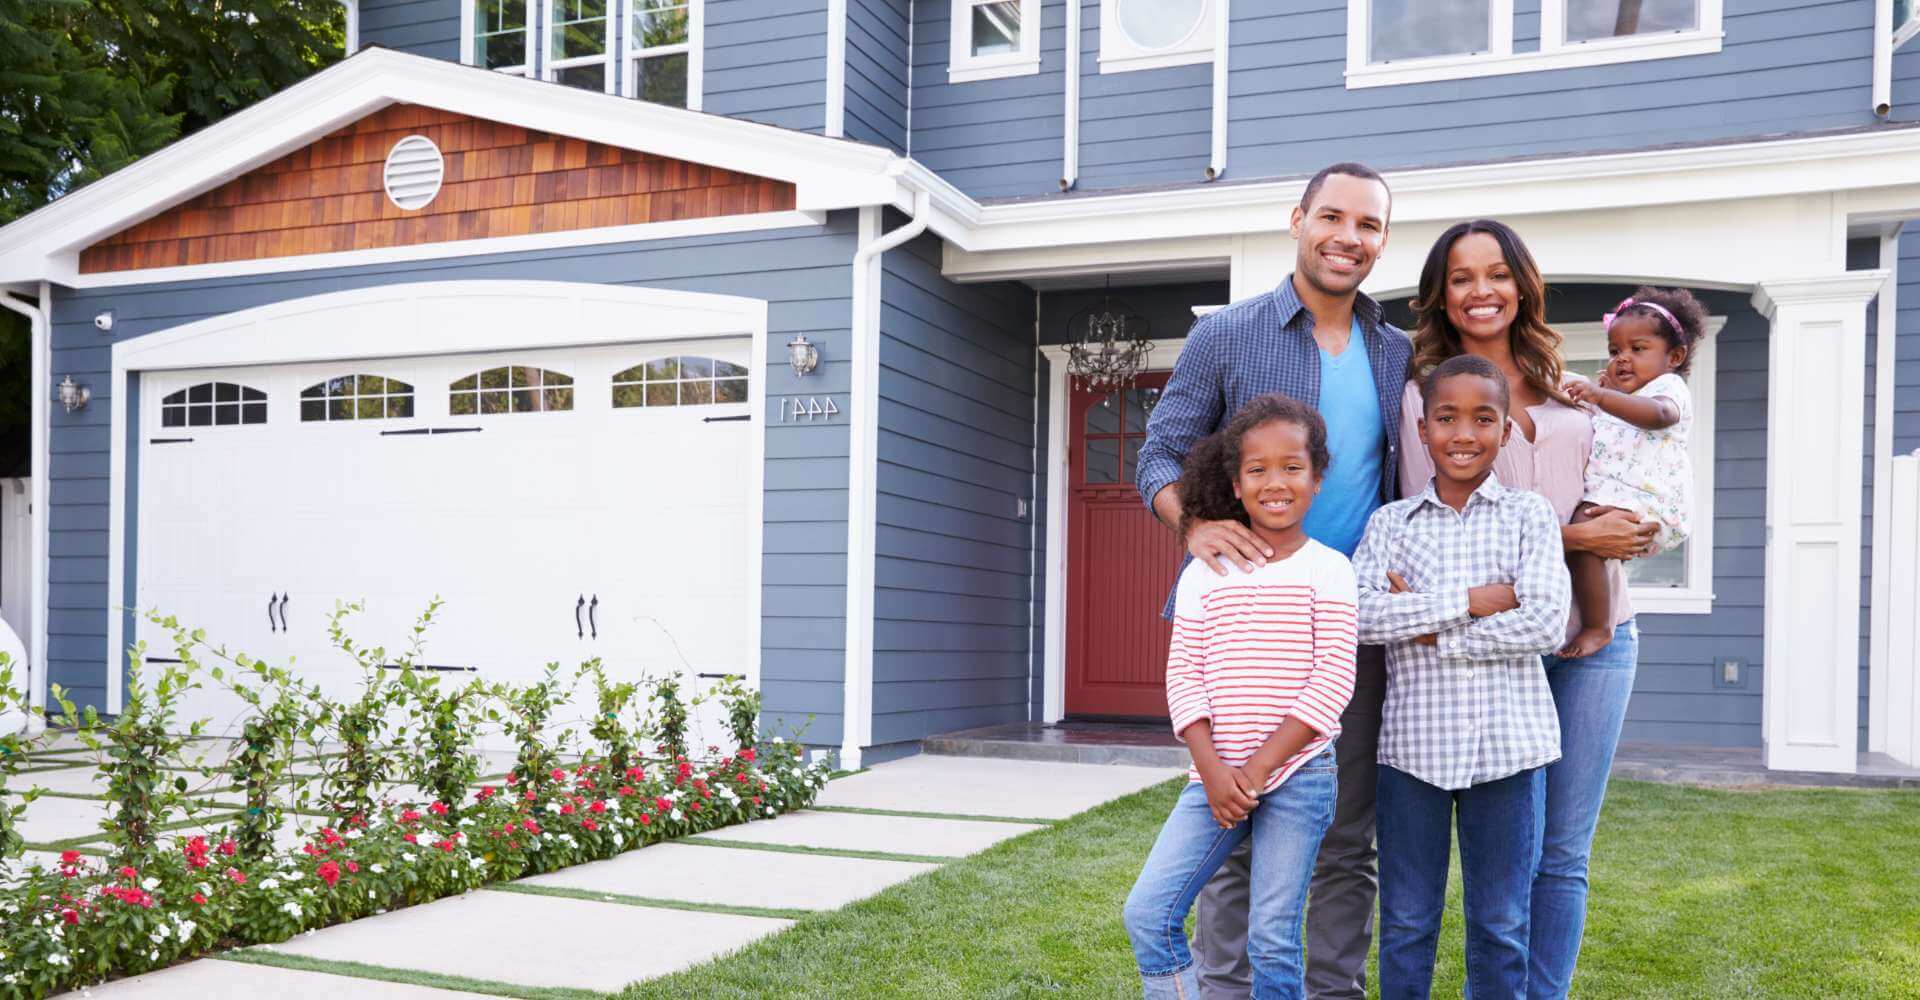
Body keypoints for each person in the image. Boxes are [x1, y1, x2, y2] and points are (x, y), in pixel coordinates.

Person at [1135, 161, 1412, 1000]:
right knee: (1232, 830)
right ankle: (1225, 990)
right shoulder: (1227, 334)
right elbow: (1158, 452)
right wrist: (1193, 521)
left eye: (1367, 225)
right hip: (1241, 621)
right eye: (1332, 217)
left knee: (1341, 835)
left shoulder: (1395, 350)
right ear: (1298, 219)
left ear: (1382, 242)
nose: (1347, 238)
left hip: (1344, 628)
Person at [1395, 219, 1660, 1000]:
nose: (1483, 291)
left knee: (1566, 852)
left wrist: (1635, 522)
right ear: (1441, 296)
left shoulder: (1568, 380)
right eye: (1462, 277)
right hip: (1504, 637)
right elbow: (1439, 530)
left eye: (1497, 273)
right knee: (1511, 853)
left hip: (1605, 630)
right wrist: (1584, 531)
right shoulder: (1431, 396)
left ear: (1522, 283)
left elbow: (1621, 470)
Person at [1122, 394, 1358, 1000]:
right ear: (1234, 482)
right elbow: (1185, 676)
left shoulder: (1329, 570)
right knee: (1149, 912)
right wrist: (1213, 771)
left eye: (1291, 467)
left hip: (1298, 774)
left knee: (1272, 936)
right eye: (1257, 469)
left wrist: (1252, 773)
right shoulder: (1206, 570)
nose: (1274, 482)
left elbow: (1331, 684)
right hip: (1213, 778)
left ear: (1317, 477)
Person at [1355, 354, 1571, 999]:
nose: (1463, 434)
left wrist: (1424, 628)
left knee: (1502, 924)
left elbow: (1545, 625)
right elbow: (1364, 616)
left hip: (1510, 750)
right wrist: (1472, 601)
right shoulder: (1390, 523)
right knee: (1407, 922)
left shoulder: (1529, 516)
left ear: (1505, 431)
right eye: (1446, 417)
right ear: (1422, 429)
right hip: (1412, 755)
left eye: (1483, 418)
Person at [1557, 288, 1711, 657]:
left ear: (1673, 357)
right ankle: (1595, 619)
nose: (1623, 359)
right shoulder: (1618, 397)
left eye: (1637, 349)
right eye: (1615, 351)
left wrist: (1600, 396)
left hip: (1649, 498)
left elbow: (1659, 416)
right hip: (1617, 494)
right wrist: (1602, 397)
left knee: (1586, 538)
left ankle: (1598, 627)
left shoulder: (1667, 389)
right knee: (1587, 538)